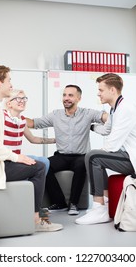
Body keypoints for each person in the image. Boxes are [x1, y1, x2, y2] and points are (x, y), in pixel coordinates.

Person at [0, 65, 63, 232]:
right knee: (40, 167)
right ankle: (37, 219)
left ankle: (35, 211)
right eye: (9, 81)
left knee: (40, 163)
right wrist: (16, 157)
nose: (11, 85)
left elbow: (33, 138)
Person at [26, 84, 108, 215]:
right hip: (62, 156)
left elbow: (104, 117)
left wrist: (111, 118)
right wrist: (15, 117)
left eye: (70, 95)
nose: (66, 98)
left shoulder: (87, 114)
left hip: (80, 156)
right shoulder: (56, 115)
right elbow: (34, 123)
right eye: (64, 95)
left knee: (81, 165)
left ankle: (74, 204)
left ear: (78, 98)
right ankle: (59, 203)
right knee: (43, 165)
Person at [75, 73, 136, 225]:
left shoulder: (125, 109)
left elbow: (112, 145)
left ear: (112, 90)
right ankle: (104, 204)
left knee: (93, 157)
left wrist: (96, 154)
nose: (98, 93)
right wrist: (89, 125)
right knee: (95, 157)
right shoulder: (115, 108)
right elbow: (106, 130)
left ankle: (99, 208)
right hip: (128, 155)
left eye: (101, 90)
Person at [3, 88, 56, 175]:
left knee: (45, 161)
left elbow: (33, 139)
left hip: (17, 158)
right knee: (39, 165)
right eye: (18, 98)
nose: (22, 101)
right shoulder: (2, 116)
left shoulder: (22, 121)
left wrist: (55, 140)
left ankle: (34, 186)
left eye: (24, 98)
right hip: (7, 159)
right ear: (9, 104)